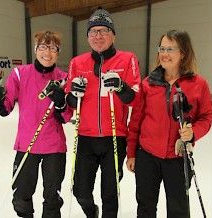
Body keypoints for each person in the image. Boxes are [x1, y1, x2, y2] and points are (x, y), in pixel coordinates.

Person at [126, 29, 212, 218]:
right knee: (145, 208)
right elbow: (136, 121)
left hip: (178, 158)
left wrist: (193, 133)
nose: (164, 54)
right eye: (162, 48)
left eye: (171, 49)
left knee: (178, 210)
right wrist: (131, 153)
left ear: (183, 53)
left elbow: (206, 117)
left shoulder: (199, 84)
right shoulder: (148, 83)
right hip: (147, 156)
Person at [65, 6, 141, 218]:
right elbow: (70, 103)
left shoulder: (127, 59)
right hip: (86, 138)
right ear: (88, 36)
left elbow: (135, 98)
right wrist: (73, 93)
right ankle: (91, 212)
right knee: (80, 191)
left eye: (103, 30)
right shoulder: (77, 63)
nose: (98, 36)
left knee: (110, 194)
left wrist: (120, 86)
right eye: (93, 32)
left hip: (114, 138)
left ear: (113, 34)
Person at [0, 30, 73, 218]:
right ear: (36, 49)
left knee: (52, 199)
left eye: (53, 48)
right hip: (27, 144)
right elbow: (5, 108)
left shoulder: (63, 78)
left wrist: (61, 103)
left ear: (58, 52)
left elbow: (67, 117)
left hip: (54, 146)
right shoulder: (20, 74)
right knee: (20, 198)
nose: (47, 52)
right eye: (43, 47)